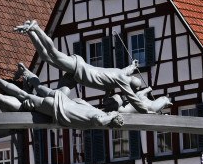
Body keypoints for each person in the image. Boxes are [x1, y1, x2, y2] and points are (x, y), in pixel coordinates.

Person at [14, 19, 170, 114]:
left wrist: (133, 66)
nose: (128, 91)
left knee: (48, 65)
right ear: (129, 85)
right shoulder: (122, 80)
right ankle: (36, 28)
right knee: (52, 54)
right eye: (131, 88)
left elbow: (127, 71)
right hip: (80, 68)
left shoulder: (120, 74)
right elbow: (134, 100)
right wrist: (145, 110)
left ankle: (30, 32)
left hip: (77, 76)